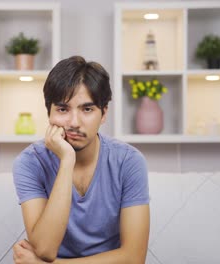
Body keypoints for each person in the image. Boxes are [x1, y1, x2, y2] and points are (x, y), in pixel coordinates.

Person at [12, 56, 150, 264]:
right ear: (49, 113)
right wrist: (67, 160)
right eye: (62, 109)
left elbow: (134, 258)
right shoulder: (30, 163)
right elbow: (45, 249)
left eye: (87, 109)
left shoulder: (129, 162)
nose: (74, 123)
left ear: (103, 113)